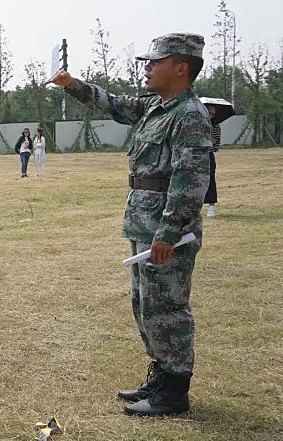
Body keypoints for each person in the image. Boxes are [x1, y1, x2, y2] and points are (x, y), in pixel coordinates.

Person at [47, 32, 211, 416]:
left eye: (156, 62)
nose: (148, 68)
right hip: (144, 226)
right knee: (145, 304)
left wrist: (169, 232)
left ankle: (174, 392)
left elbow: (191, 181)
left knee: (167, 307)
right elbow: (115, 104)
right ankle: (161, 376)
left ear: (181, 68)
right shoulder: (158, 107)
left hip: (167, 232)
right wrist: (72, 85)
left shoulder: (188, 115)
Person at [204, 105, 221, 217]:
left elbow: (216, 146)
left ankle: (211, 206)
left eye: (213, 114)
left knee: (210, 180)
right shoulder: (192, 124)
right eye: (209, 113)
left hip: (208, 154)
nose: (211, 115)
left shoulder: (216, 127)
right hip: (193, 155)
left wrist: (208, 132)